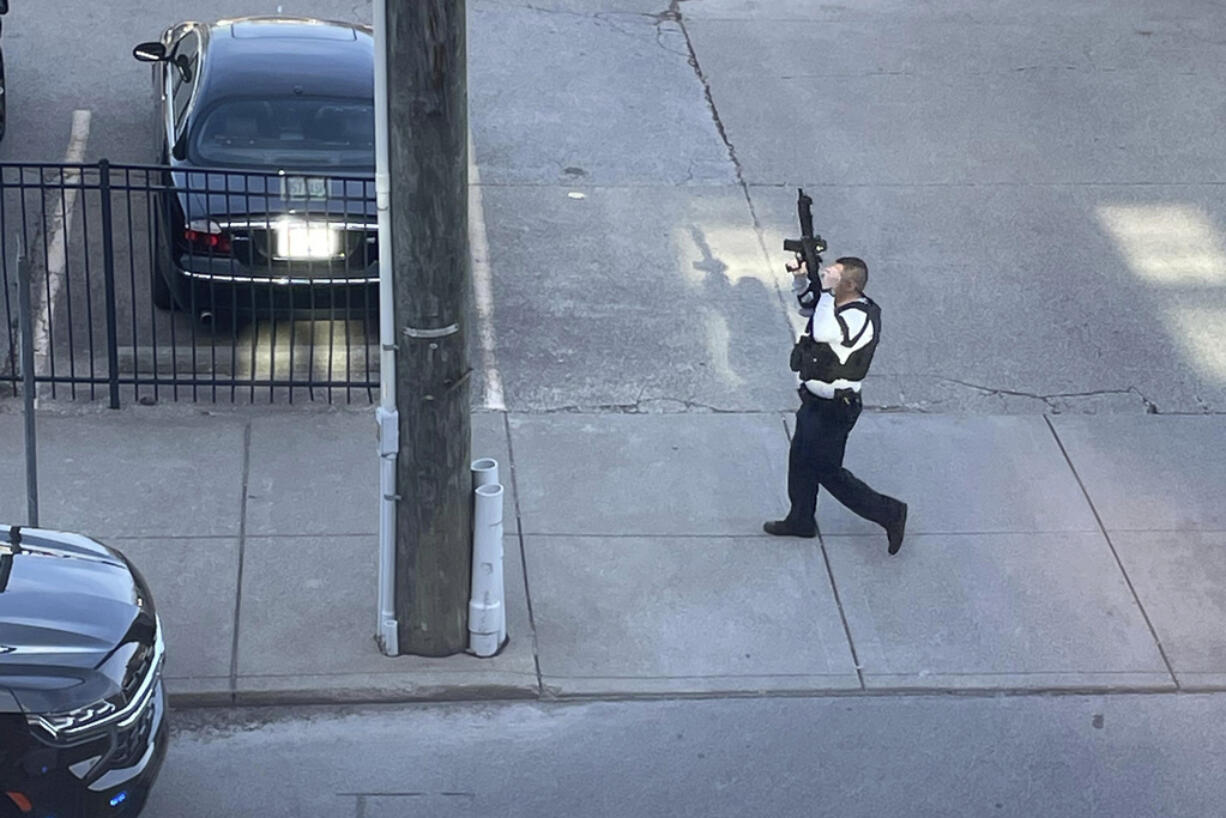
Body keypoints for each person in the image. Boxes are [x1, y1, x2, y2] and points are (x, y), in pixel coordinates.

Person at [763, 255, 908, 554]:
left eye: (834, 275)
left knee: (828, 471)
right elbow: (808, 307)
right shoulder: (833, 303)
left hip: (836, 409)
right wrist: (802, 279)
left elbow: (825, 332)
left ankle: (889, 512)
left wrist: (826, 293)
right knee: (800, 461)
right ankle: (800, 520)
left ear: (850, 284)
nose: (827, 276)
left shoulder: (860, 316)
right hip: (814, 402)